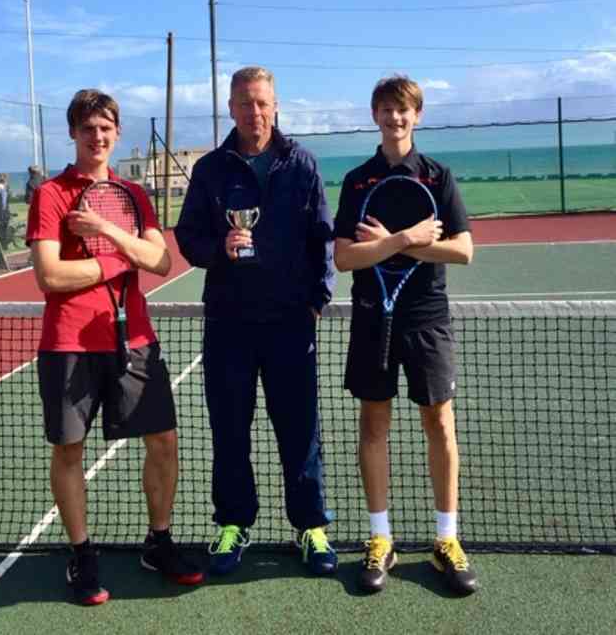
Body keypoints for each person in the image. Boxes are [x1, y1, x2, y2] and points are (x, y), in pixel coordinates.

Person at [27, 89, 203, 606]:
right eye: (87, 129)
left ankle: (159, 541)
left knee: (164, 441)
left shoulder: (133, 195)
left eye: (105, 128)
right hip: (69, 345)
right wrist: (118, 261)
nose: (97, 136)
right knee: (68, 450)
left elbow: (162, 262)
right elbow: (49, 274)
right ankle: (82, 555)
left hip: (135, 340)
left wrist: (105, 230)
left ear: (116, 132)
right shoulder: (52, 194)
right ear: (73, 134)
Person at [174, 66, 337, 576]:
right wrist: (217, 250)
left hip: (290, 324)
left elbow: (323, 237)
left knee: (300, 430)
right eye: (245, 103)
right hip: (228, 324)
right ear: (230, 107)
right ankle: (233, 523)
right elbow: (188, 238)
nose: (254, 112)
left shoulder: (301, 163)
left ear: (276, 105)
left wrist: (318, 298)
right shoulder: (210, 170)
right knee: (229, 430)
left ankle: (310, 526)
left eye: (262, 102)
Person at [333, 75, 479, 595]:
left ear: (416, 116)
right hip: (373, 315)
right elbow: (345, 256)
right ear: (375, 115)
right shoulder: (356, 181)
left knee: (439, 424)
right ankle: (380, 538)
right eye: (387, 110)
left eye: (405, 110)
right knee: (374, 425)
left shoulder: (438, 177)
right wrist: (407, 239)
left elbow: (462, 250)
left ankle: (447, 539)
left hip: (426, 317)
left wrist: (397, 245)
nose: (395, 118)